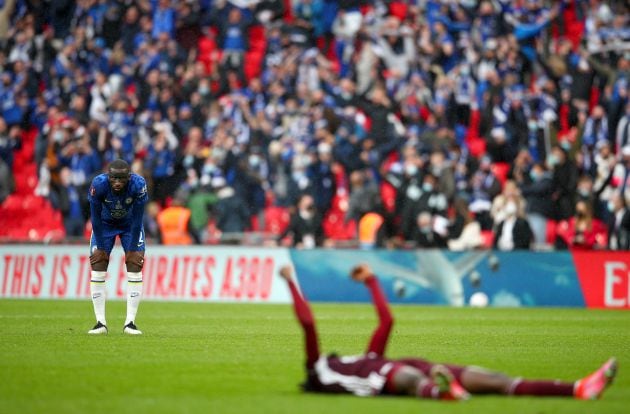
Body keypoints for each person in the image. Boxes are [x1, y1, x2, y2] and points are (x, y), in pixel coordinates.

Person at [278, 263, 617, 401]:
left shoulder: (363, 358)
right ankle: (442, 392)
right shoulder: (320, 371)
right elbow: (308, 324)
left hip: (408, 365)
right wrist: (291, 281)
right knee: (408, 376)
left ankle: (578, 388)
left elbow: (386, 323)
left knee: (497, 380)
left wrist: (372, 281)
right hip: (388, 376)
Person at [87, 159, 148, 335]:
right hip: (105, 224)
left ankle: (130, 323)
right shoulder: (98, 184)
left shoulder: (138, 184)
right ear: (108, 176)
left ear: (129, 177)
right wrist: (99, 245)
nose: (118, 182)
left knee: (135, 265)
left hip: (130, 225)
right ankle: (100, 322)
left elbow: (138, 219)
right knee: (98, 265)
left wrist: (133, 249)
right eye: (114, 178)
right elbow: (95, 217)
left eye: (122, 178)